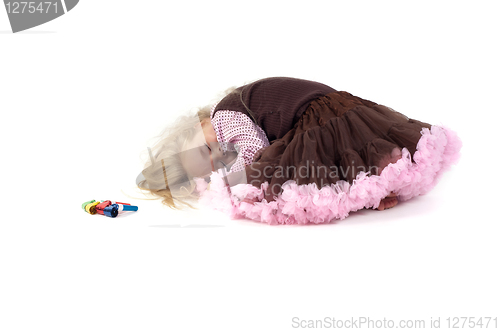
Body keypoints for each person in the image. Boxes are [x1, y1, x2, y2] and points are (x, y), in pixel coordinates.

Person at [137, 77, 461, 224]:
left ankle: (369, 195)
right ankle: (375, 191)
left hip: (316, 115)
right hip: (337, 107)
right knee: (348, 156)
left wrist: (234, 181)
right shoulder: (236, 110)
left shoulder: (224, 116)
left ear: (199, 122)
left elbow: (253, 148)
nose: (220, 153)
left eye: (208, 147)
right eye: (216, 160)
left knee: (285, 177)